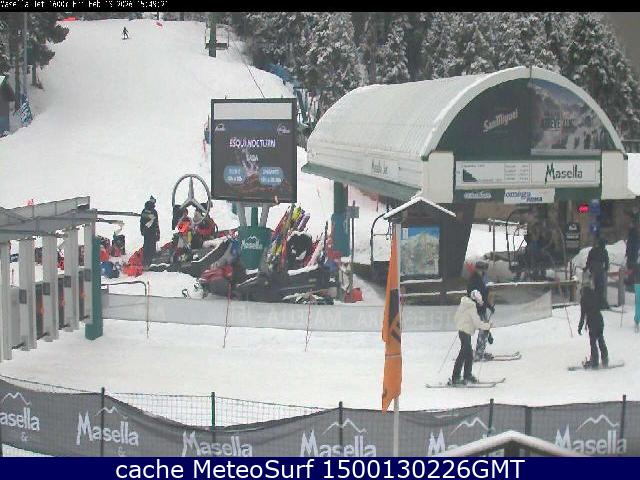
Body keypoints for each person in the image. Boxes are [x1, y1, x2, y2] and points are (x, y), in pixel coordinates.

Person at [451, 290, 493, 385]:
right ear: (475, 301)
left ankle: (467, 376)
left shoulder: (464, 304)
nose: (478, 305)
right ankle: (455, 377)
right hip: (465, 332)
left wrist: (462, 324)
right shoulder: (471, 307)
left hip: (463, 332)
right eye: (478, 303)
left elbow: (456, 317)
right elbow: (477, 323)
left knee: (469, 354)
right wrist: (488, 326)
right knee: (463, 354)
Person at [467, 261, 495, 361]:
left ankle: (481, 350)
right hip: (476, 309)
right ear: (478, 269)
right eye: (482, 269)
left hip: (482, 309)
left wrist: (489, 306)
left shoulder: (481, 278)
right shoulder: (474, 279)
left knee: (485, 330)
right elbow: (474, 294)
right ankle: (479, 353)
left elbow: (483, 295)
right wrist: (480, 302)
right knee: (483, 330)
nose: (483, 271)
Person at [578, 286, 609, 368]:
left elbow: (583, 315)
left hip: (592, 322)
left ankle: (595, 362)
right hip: (600, 320)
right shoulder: (596, 294)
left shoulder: (583, 299)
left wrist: (580, 327)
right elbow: (605, 305)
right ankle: (605, 359)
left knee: (593, 342)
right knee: (601, 339)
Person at [586, 237, 610, 309]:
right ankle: (600, 302)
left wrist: (587, 267)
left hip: (593, 268)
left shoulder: (593, 250)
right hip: (600, 269)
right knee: (600, 287)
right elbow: (606, 262)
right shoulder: (604, 251)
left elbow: (589, 259)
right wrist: (606, 269)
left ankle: (595, 302)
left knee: (595, 286)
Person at [140, 196, 159, 267]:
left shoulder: (144, 210)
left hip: (146, 231)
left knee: (146, 245)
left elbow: (141, 221)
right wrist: (158, 232)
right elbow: (156, 222)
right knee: (152, 246)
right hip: (152, 231)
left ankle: (145, 261)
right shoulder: (153, 211)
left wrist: (142, 230)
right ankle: (150, 261)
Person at [625, 221, 639, 287]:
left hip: (632, 253)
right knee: (631, 266)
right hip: (633, 253)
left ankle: (631, 280)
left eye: (630, 224)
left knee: (631, 266)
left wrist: (628, 252)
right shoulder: (634, 233)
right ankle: (631, 279)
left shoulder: (632, 233)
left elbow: (630, 244)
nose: (629, 225)